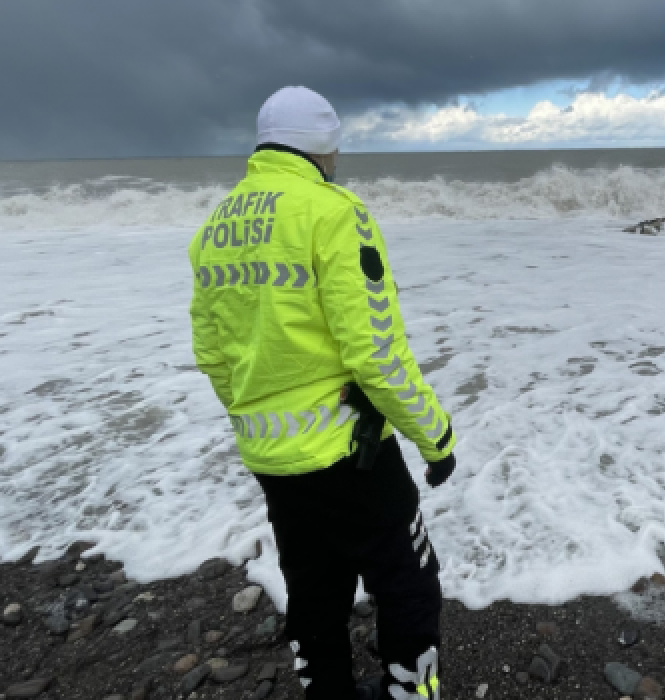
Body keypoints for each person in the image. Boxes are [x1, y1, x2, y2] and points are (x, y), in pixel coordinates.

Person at [188, 86, 457, 700]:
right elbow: (376, 351)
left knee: (315, 588)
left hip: (271, 458)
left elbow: (212, 355)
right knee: (408, 581)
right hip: (349, 450)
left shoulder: (215, 227)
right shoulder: (336, 212)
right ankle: (411, 695)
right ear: (324, 148)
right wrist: (435, 437)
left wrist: (259, 419)